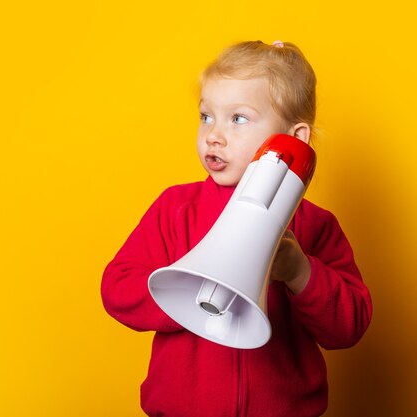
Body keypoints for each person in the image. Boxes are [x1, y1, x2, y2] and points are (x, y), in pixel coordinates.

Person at [101, 40, 373, 417]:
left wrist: (301, 273)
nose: (214, 134)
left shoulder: (318, 226)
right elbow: (117, 287)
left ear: (295, 139)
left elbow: (350, 326)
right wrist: (184, 294)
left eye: (238, 118)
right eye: (206, 116)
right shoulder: (175, 208)